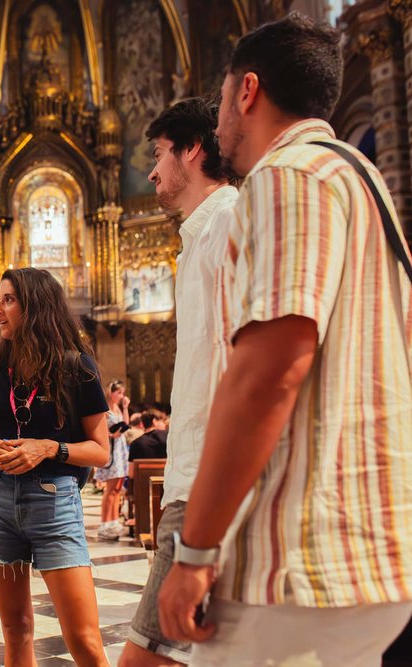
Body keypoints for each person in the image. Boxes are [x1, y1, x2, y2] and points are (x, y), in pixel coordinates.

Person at [157, 13, 412, 666]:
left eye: (219, 103)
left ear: (247, 91)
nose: (217, 127)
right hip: (372, 546)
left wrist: (194, 550)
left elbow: (266, 371)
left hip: (297, 556)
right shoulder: (365, 183)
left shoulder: (286, 175)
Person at [119, 99, 238, 667]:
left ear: (193, 149)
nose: (151, 171)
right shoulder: (198, 239)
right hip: (194, 480)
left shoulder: (230, 226)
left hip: (206, 489)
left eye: (160, 153)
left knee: (146, 657)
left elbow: (247, 370)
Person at [0, 267, 112, 667]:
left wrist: (49, 448)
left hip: (54, 502)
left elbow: (101, 452)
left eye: (7, 299)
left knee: (83, 639)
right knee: (16, 632)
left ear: (34, 305)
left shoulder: (77, 366)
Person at [94, 379, 130, 540]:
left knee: (117, 489)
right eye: (119, 393)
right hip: (111, 449)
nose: (121, 396)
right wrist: (111, 435)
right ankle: (105, 523)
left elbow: (126, 424)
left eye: (123, 393)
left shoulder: (118, 409)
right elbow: (100, 431)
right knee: (109, 490)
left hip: (121, 449)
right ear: (112, 392)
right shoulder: (105, 409)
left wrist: (125, 408)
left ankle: (114, 521)